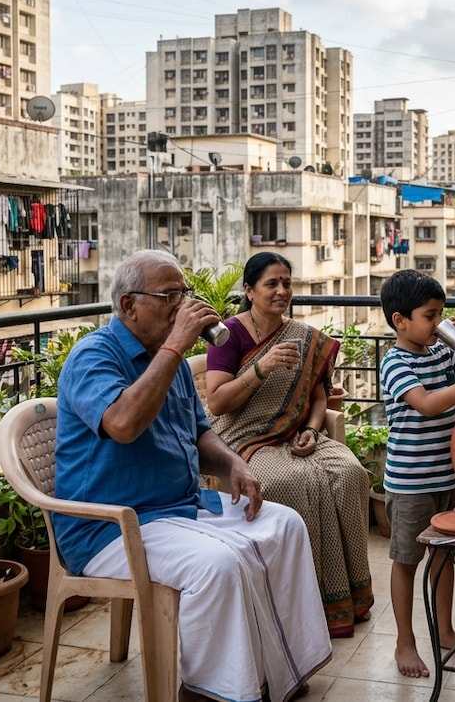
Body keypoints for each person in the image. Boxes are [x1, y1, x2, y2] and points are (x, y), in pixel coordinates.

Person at [54, 249, 331, 702]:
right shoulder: (93, 356)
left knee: (286, 525)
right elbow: (123, 424)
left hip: (179, 505)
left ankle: (279, 671)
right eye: (169, 295)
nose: (182, 305)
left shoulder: (172, 365)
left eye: (184, 294)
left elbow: (201, 433)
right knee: (216, 564)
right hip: (111, 526)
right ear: (128, 306)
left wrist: (233, 464)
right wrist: (173, 348)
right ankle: (210, 692)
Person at [205, 251, 374, 638]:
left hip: (297, 433)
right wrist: (260, 370)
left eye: (287, 283)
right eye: (271, 284)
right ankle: (296, 602)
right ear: (249, 291)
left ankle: (346, 596)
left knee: (350, 474)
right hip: (244, 438)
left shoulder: (302, 335)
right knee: (292, 482)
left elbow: (318, 395)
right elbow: (217, 402)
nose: (282, 291)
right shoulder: (228, 335)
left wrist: (313, 430)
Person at [378, 269, 455, 678]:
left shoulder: (439, 353)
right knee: (406, 561)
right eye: (430, 316)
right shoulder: (394, 362)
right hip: (411, 482)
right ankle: (405, 641)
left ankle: (446, 630)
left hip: (447, 479)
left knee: (446, 555)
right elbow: (428, 404)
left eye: (441, 315)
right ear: (401, 321)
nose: (438, 323)